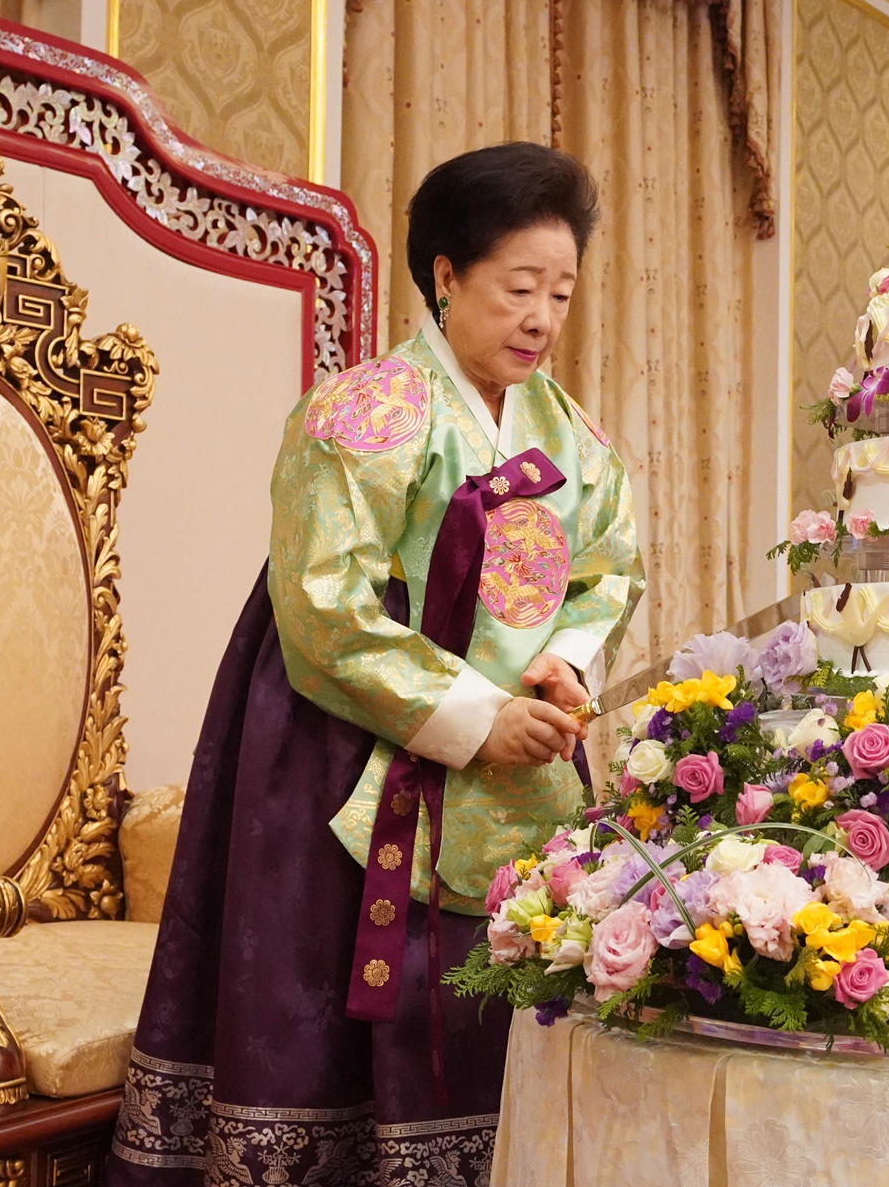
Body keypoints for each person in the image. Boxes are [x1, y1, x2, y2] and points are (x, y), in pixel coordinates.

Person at [109, 144, 645, 1187]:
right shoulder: (360, 414)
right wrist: (470, 715)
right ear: (445, 276)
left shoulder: (574, 436)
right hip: (346, 748)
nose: (542, 316)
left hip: (520, 768)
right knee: (338, 1020)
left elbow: (607, 570)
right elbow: (321, 611)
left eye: (562, 293)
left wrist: (567, 668)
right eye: (518, 288)